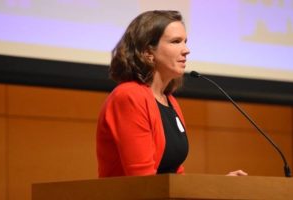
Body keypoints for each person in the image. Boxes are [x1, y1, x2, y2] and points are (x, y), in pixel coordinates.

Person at [96, 10, 247, 178]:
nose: (186, 50)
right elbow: (142, 180)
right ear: (148, 52)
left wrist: (217, 186)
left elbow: (175, 177)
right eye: (176, 42)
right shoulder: (129, 96)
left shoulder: (170, 101)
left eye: (185, 41)